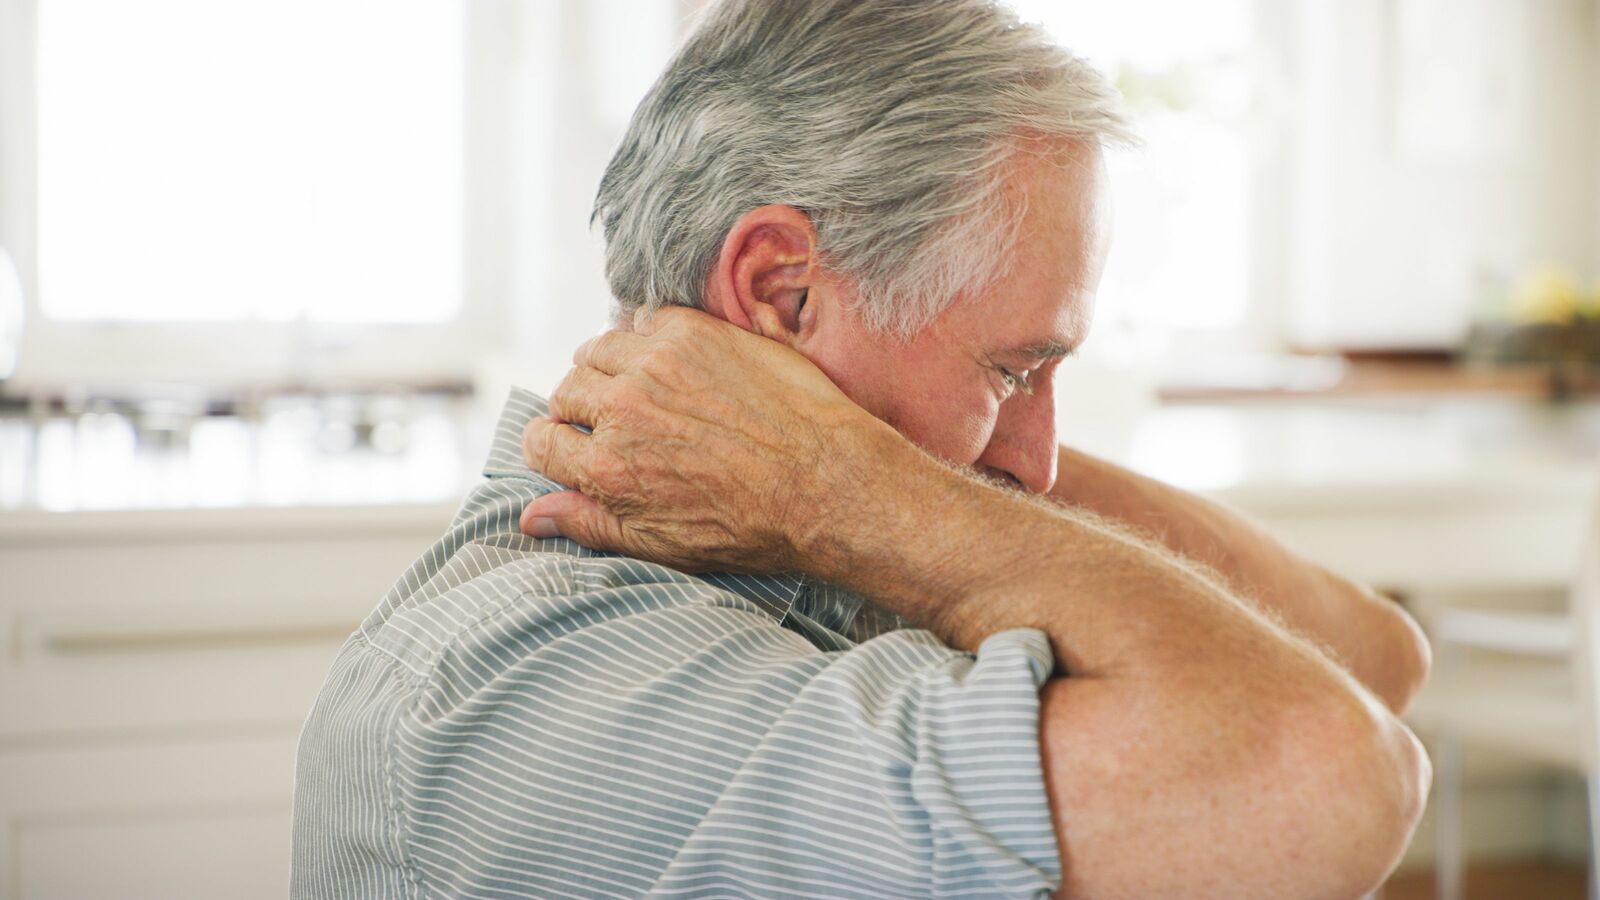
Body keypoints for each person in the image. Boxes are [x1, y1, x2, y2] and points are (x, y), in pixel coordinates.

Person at [292, 1, 1431, 896]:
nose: (1035, 463)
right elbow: (1326, 777)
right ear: (780, 294)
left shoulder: (817, 545)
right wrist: (854, 485)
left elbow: (1374, 659)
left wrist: (843, 477)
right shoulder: (540, 672)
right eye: (1010, 369)